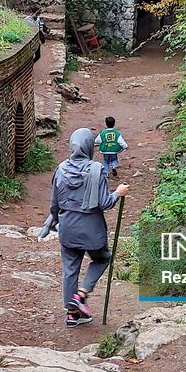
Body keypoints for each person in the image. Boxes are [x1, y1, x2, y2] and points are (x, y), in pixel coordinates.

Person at [47, 128, 129, 326]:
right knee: (102, 258)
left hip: (67, 228)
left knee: (69, 269)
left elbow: (54, 204)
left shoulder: (61, 169)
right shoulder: (96, 169)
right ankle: (81, 295)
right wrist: (118, 193)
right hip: (91, 229)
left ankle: (72, 314)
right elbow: (104, 203)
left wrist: (54, 221)